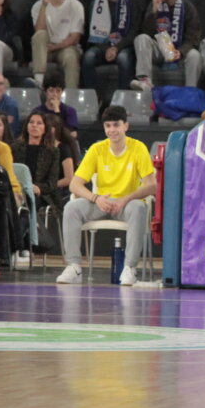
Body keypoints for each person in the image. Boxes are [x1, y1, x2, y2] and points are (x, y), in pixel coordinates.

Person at [56, 105, 156, 286]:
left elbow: (151, 186)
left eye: (116, 125)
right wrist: (96, 198)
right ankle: (74, 266)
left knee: (139, 207)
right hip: (101, 202)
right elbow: (74, 184)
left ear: (126, 126)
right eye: (108, 126)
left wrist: (125, 199)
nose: (112, 130)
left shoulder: (138, 148)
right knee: (71, 207)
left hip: (126, 204)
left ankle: (129, 268)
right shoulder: (97, 149)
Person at [133, 0, 203, 91]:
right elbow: (145, 31)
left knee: (195, 56)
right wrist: (154, 12)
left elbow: (193, 38)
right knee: (141, 38)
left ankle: (191, 92)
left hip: (178, 51)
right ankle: (145, 81)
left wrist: (180, 51)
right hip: (160, 51)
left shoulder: (188, 7)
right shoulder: (155, 4)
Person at [82, 0, 135, 104]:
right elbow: (92, 31)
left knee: (124, 59)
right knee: (88, 57)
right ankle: (94, 99)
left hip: (123, 46)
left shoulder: (132, 4)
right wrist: (106, 49)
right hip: (102, 45)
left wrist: (116, 48)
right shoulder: (96, 4)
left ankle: (123, 100)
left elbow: (133, 32)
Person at [30, 0, 83, 89]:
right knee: (40, 35)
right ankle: (38, 82)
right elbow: (39, 30)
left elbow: (75, 37)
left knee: (70, 57)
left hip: (66, 47)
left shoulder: (75, 5)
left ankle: (70, 94)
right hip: (45, 48)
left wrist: (55, 47)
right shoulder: (38, 6)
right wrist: (44, 5)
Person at [13, 111, 70, 216]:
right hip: (19, 190)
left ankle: (27, 232)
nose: (34, 125)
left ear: (45, 129)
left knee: (30, 200)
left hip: (42, 195)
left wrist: (38, 187)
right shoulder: (15, 148)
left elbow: (52, 182)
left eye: (39, 123)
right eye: (31, 122)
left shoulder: (53, 151)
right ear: (27, 126)